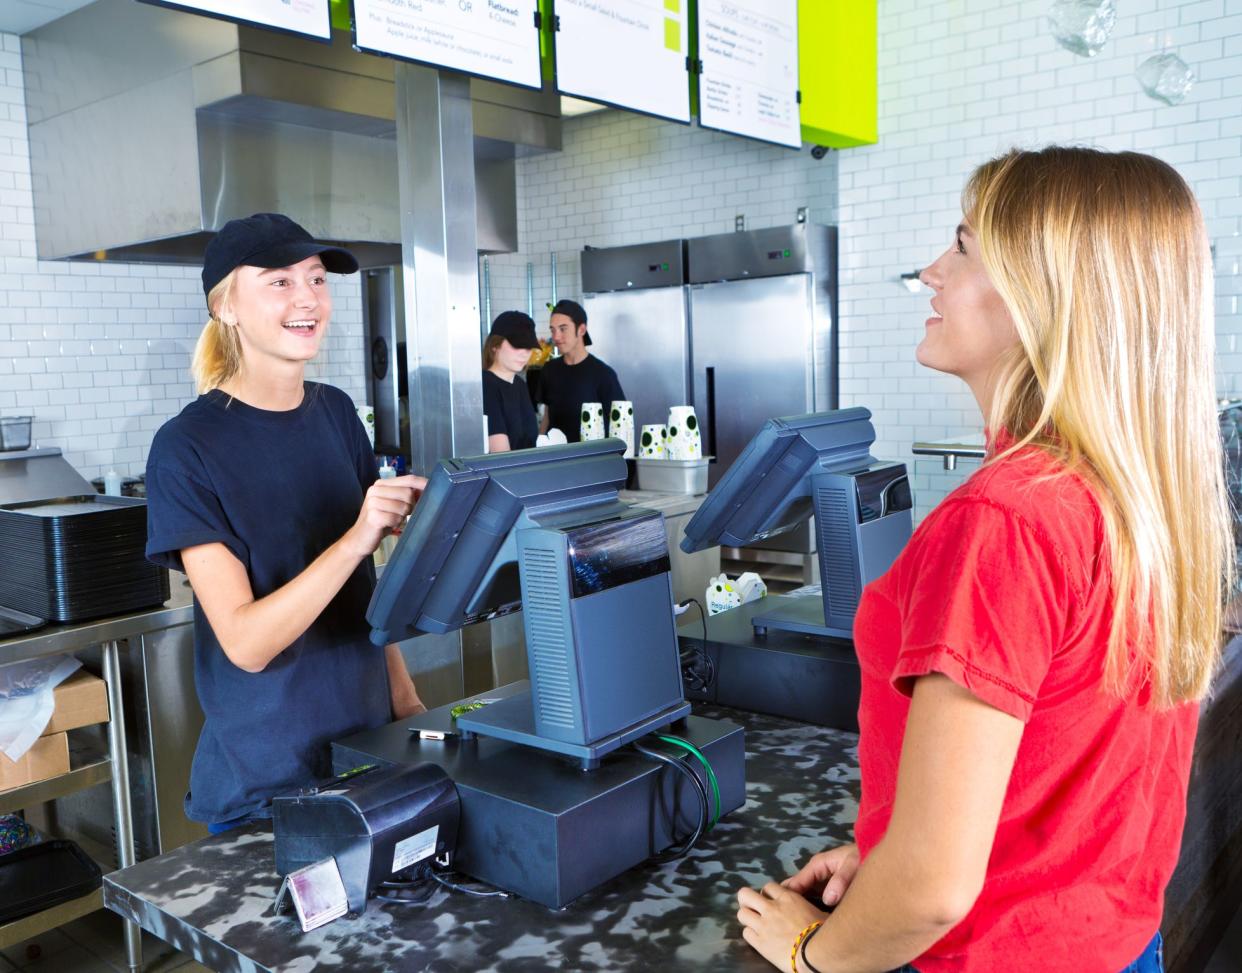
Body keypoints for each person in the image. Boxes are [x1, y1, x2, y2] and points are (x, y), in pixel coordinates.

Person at [735, 147, 1231, 973]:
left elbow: (934, 890)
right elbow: (1066, 766)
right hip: (1116, 945)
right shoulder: (1134, 494)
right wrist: (890, 854)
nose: (931, 271)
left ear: (1045, 294)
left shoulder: (1005, 517)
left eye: (962, 247)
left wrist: (812, 953)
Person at [144, 213, 427, 835]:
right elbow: (245, 643)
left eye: (318, 279)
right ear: (227, 307)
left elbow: (362, 595)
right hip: (268, 788)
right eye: (279, 281)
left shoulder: (337, 413)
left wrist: (406, 707)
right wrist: (358, 535)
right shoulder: (186, 448)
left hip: (370, 753)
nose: (308, 299)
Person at [536, 298, 626, 441]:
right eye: (552, 330)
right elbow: (547, 416)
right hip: (555, 458)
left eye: (563, 329)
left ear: (582, 329)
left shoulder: (604, 374)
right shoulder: (549, 370)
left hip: (591, 459)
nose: (556, 337)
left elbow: (619, 424)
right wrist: (539, 443)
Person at [482, 310, 540, 453]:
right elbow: (500, 455)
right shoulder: (485, 384)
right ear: (495, 345)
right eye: (517, 345)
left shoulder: (519, 384)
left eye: (528, 347)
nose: (524, 353)